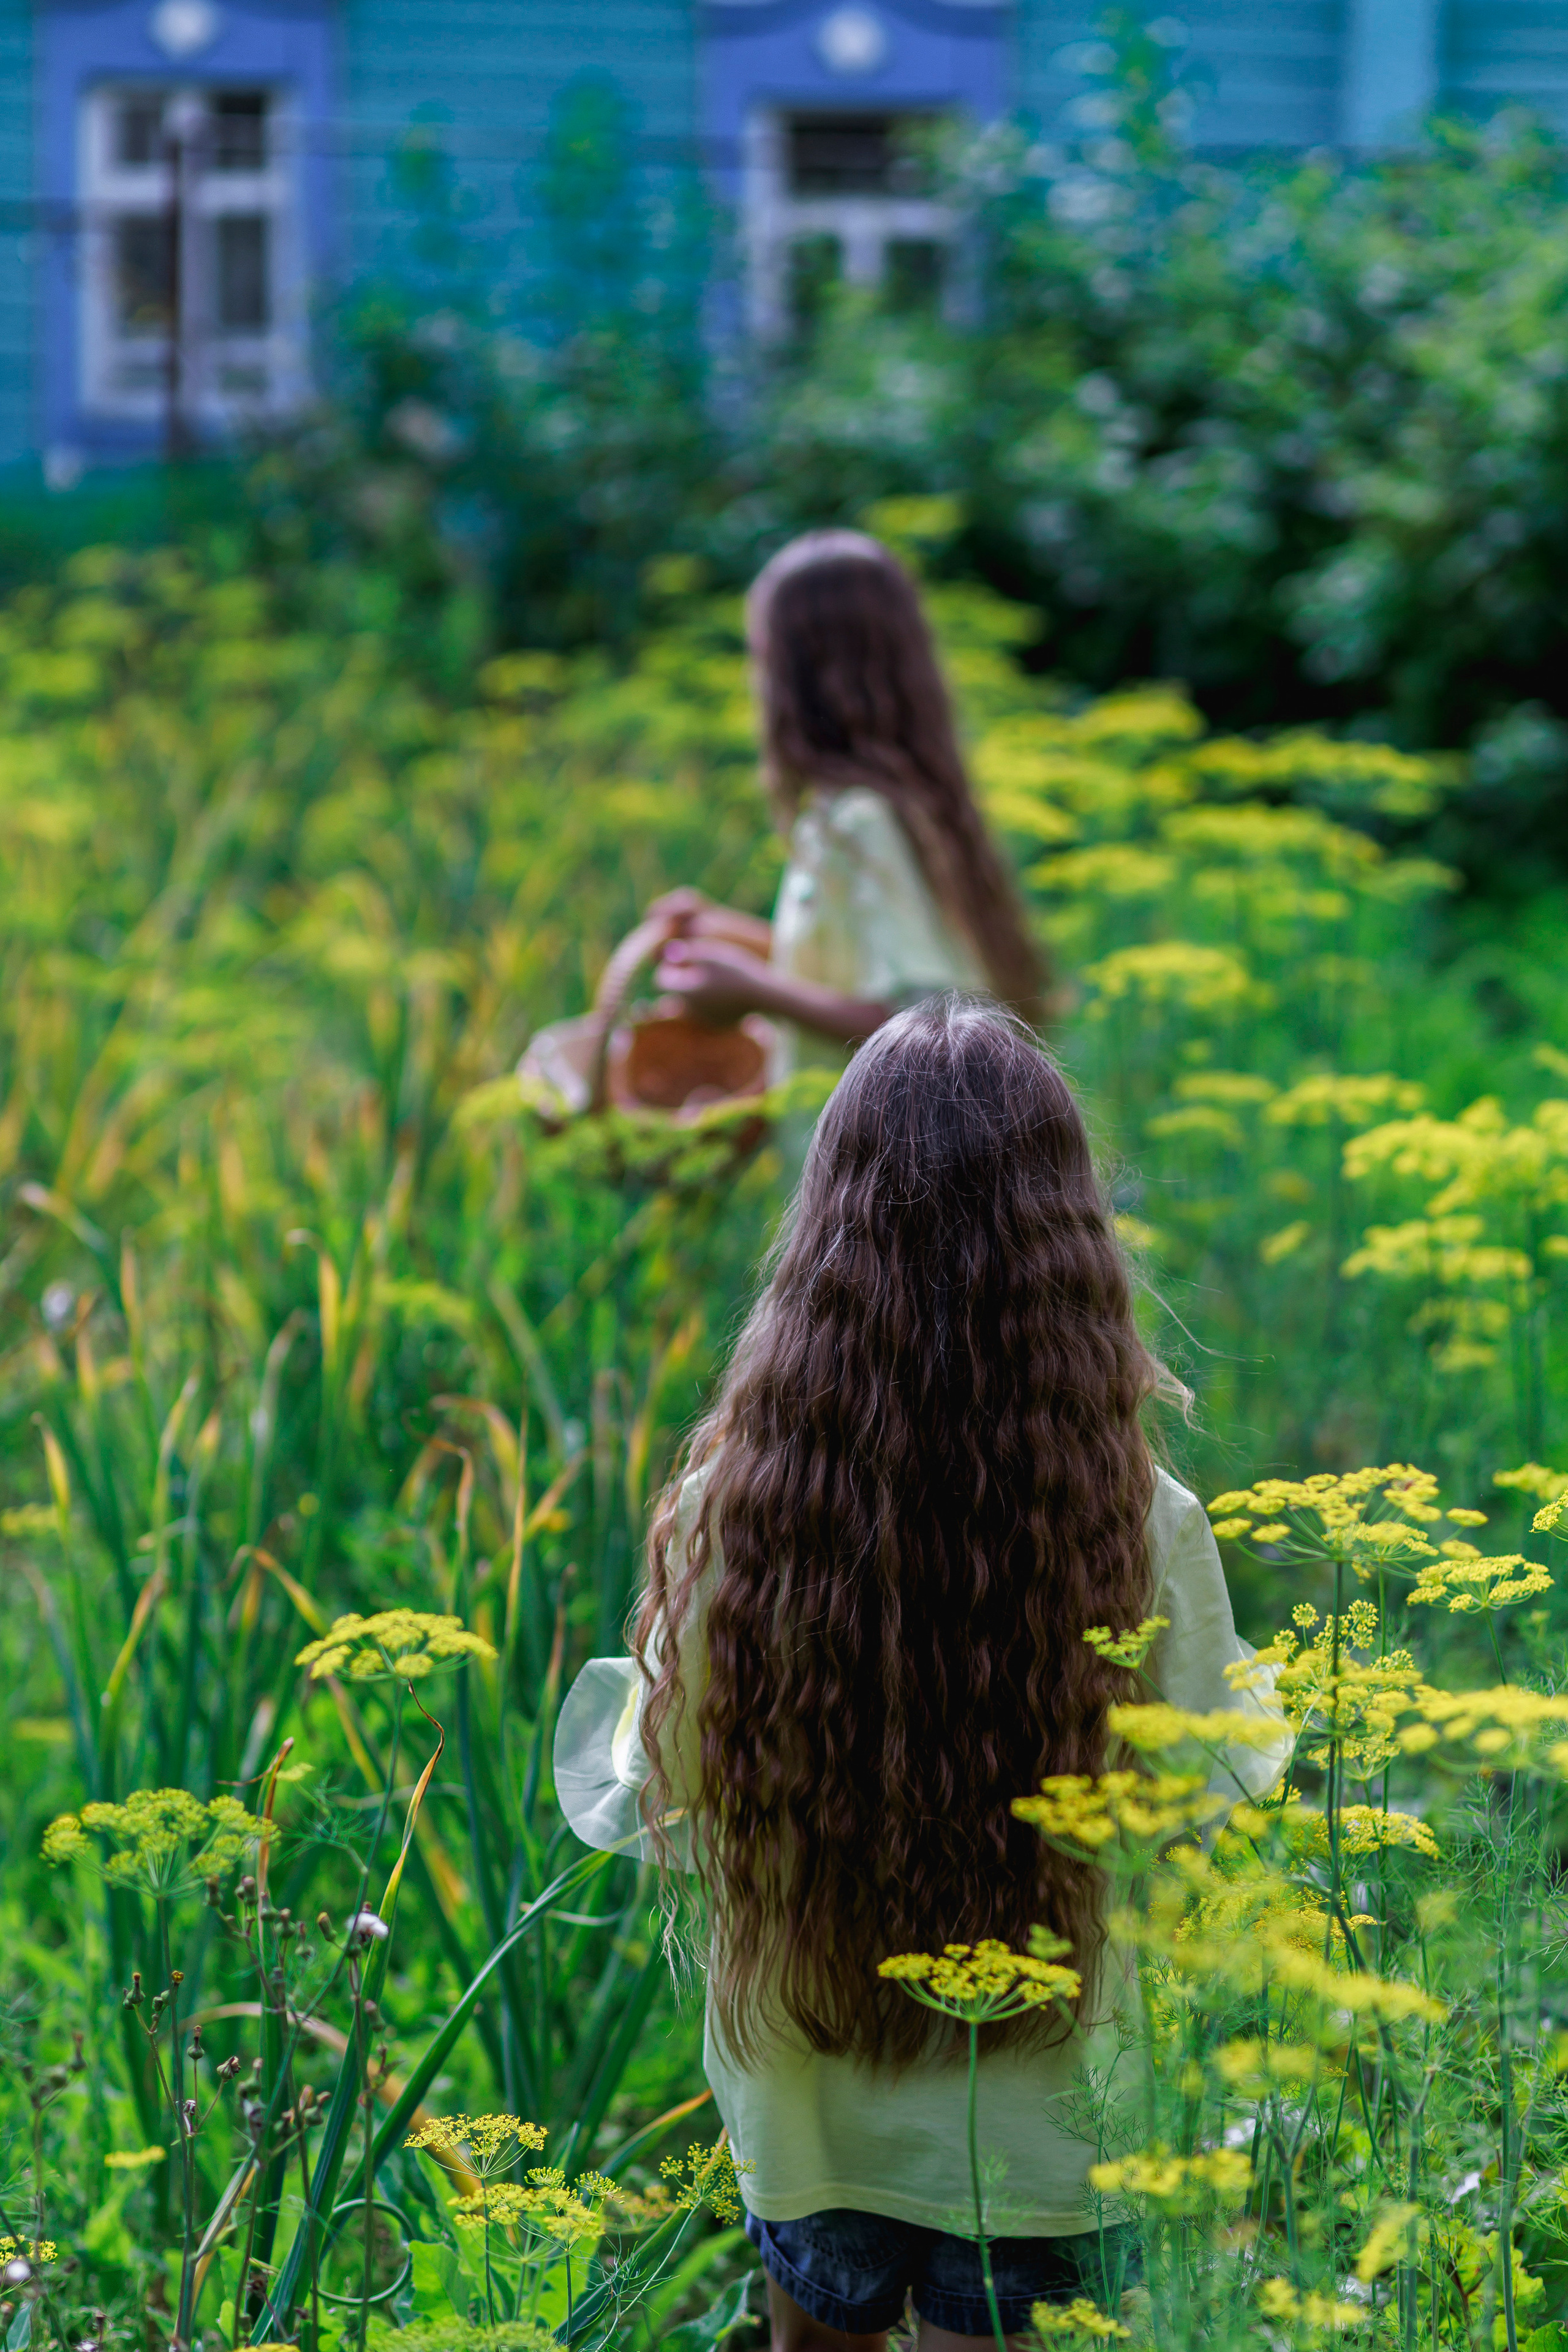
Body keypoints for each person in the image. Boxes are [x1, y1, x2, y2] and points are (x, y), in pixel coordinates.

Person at [554, 1001, 1289, 2352]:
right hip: (1047, 2127)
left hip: (808, 2094)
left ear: (827, 1228)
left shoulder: (739, 1505)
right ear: (1066, 1243)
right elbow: (1203, 1784)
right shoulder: (1133, 1517)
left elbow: (657, 1788)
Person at [646, 532, 1047, 1164]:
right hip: (870, 1177)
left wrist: (753, 991)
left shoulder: (863, 822)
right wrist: (731, 937)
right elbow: (857, 965)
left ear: (797, 677)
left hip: (883, 1185)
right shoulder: (853, 811)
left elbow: (926, 1019)